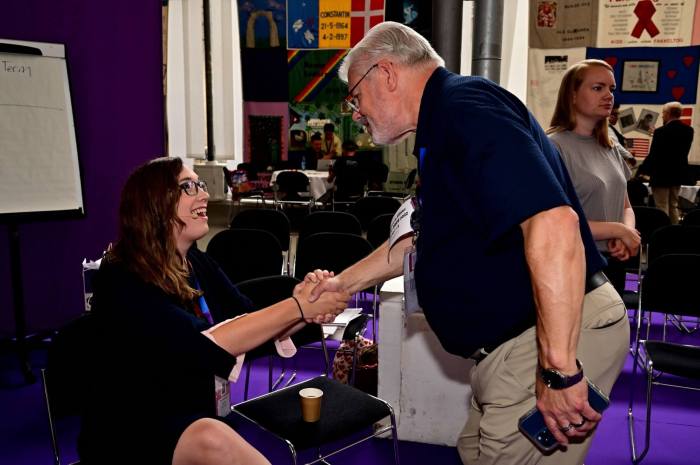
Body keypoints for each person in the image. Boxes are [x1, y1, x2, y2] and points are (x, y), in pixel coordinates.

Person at [309, 21, 629, 465]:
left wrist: (557, 370)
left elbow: (553, 225)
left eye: (355, 97)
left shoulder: (465, 108)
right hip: (510, 348)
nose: (355, 113)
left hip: (541, 341)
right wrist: (341, 284)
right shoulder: (443, 125)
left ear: (386, 73)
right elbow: (416, 242)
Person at [79, 157, 349, 465]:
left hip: (189, 410)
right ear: (153, 203)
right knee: (212, 439)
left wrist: (304, 310)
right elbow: (201, 343)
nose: (204, 194)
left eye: (201, 185)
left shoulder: (196, 262)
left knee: (212, 434)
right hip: (132, 425)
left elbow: (247, 324)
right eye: (188, 186)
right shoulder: (121, 277)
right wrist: (298, 306)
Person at [547, 59, 641, 295]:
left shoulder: (609, 146)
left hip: (614, 261)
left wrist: (624, 235)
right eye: (598, 88)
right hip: (575, 263)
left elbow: (626, 205)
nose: (609, 95)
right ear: (573, 95)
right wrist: (619, 230)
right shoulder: (554, 148)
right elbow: (556, 223)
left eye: (612, 89)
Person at [637, 101, 694, 224]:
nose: (662, 116)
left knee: (661, 206)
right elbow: (677, 150)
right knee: (673, 205)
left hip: (661, 174)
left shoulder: (661, 132)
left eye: (663, 113)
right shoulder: (689, 131)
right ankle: (674, 232)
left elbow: (655, 154)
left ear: (668, 114)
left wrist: (641, 170)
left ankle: (664, 233)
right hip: (678, 173)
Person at [608, 102, 637, 168]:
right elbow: (615, 145)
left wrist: (627, 151)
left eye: (617, 114)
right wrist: (630, 156)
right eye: (614, 114)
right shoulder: (606, 128)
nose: (617, 117)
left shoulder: (612, 127)